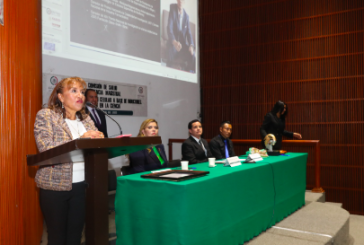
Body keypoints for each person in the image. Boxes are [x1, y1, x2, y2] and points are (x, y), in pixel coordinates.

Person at [34, 77, 104, 245]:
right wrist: (82, 139)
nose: (80, 95)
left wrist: (100, 139)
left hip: (82, 186)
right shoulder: (47, 115)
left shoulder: (86, 119)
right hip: (55, 186)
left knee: (75, 236)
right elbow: (46, 148)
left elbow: (96, 144)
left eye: (81, 91)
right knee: (57, 237)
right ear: (60, 96)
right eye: (74, 91)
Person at [167, 0, 196, 72]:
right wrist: (174, 42)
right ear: (177, 1)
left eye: (182, 0)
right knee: (170, 52)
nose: (180, 2)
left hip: (182, 45)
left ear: (184, 2)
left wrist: (191, 46)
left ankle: (187, 72)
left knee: (192, 56)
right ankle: (170, 71)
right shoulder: (172, 8)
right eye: (179, 0)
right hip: (173, 43)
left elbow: (189, 33)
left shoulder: (186, 16)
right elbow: (169, 28)